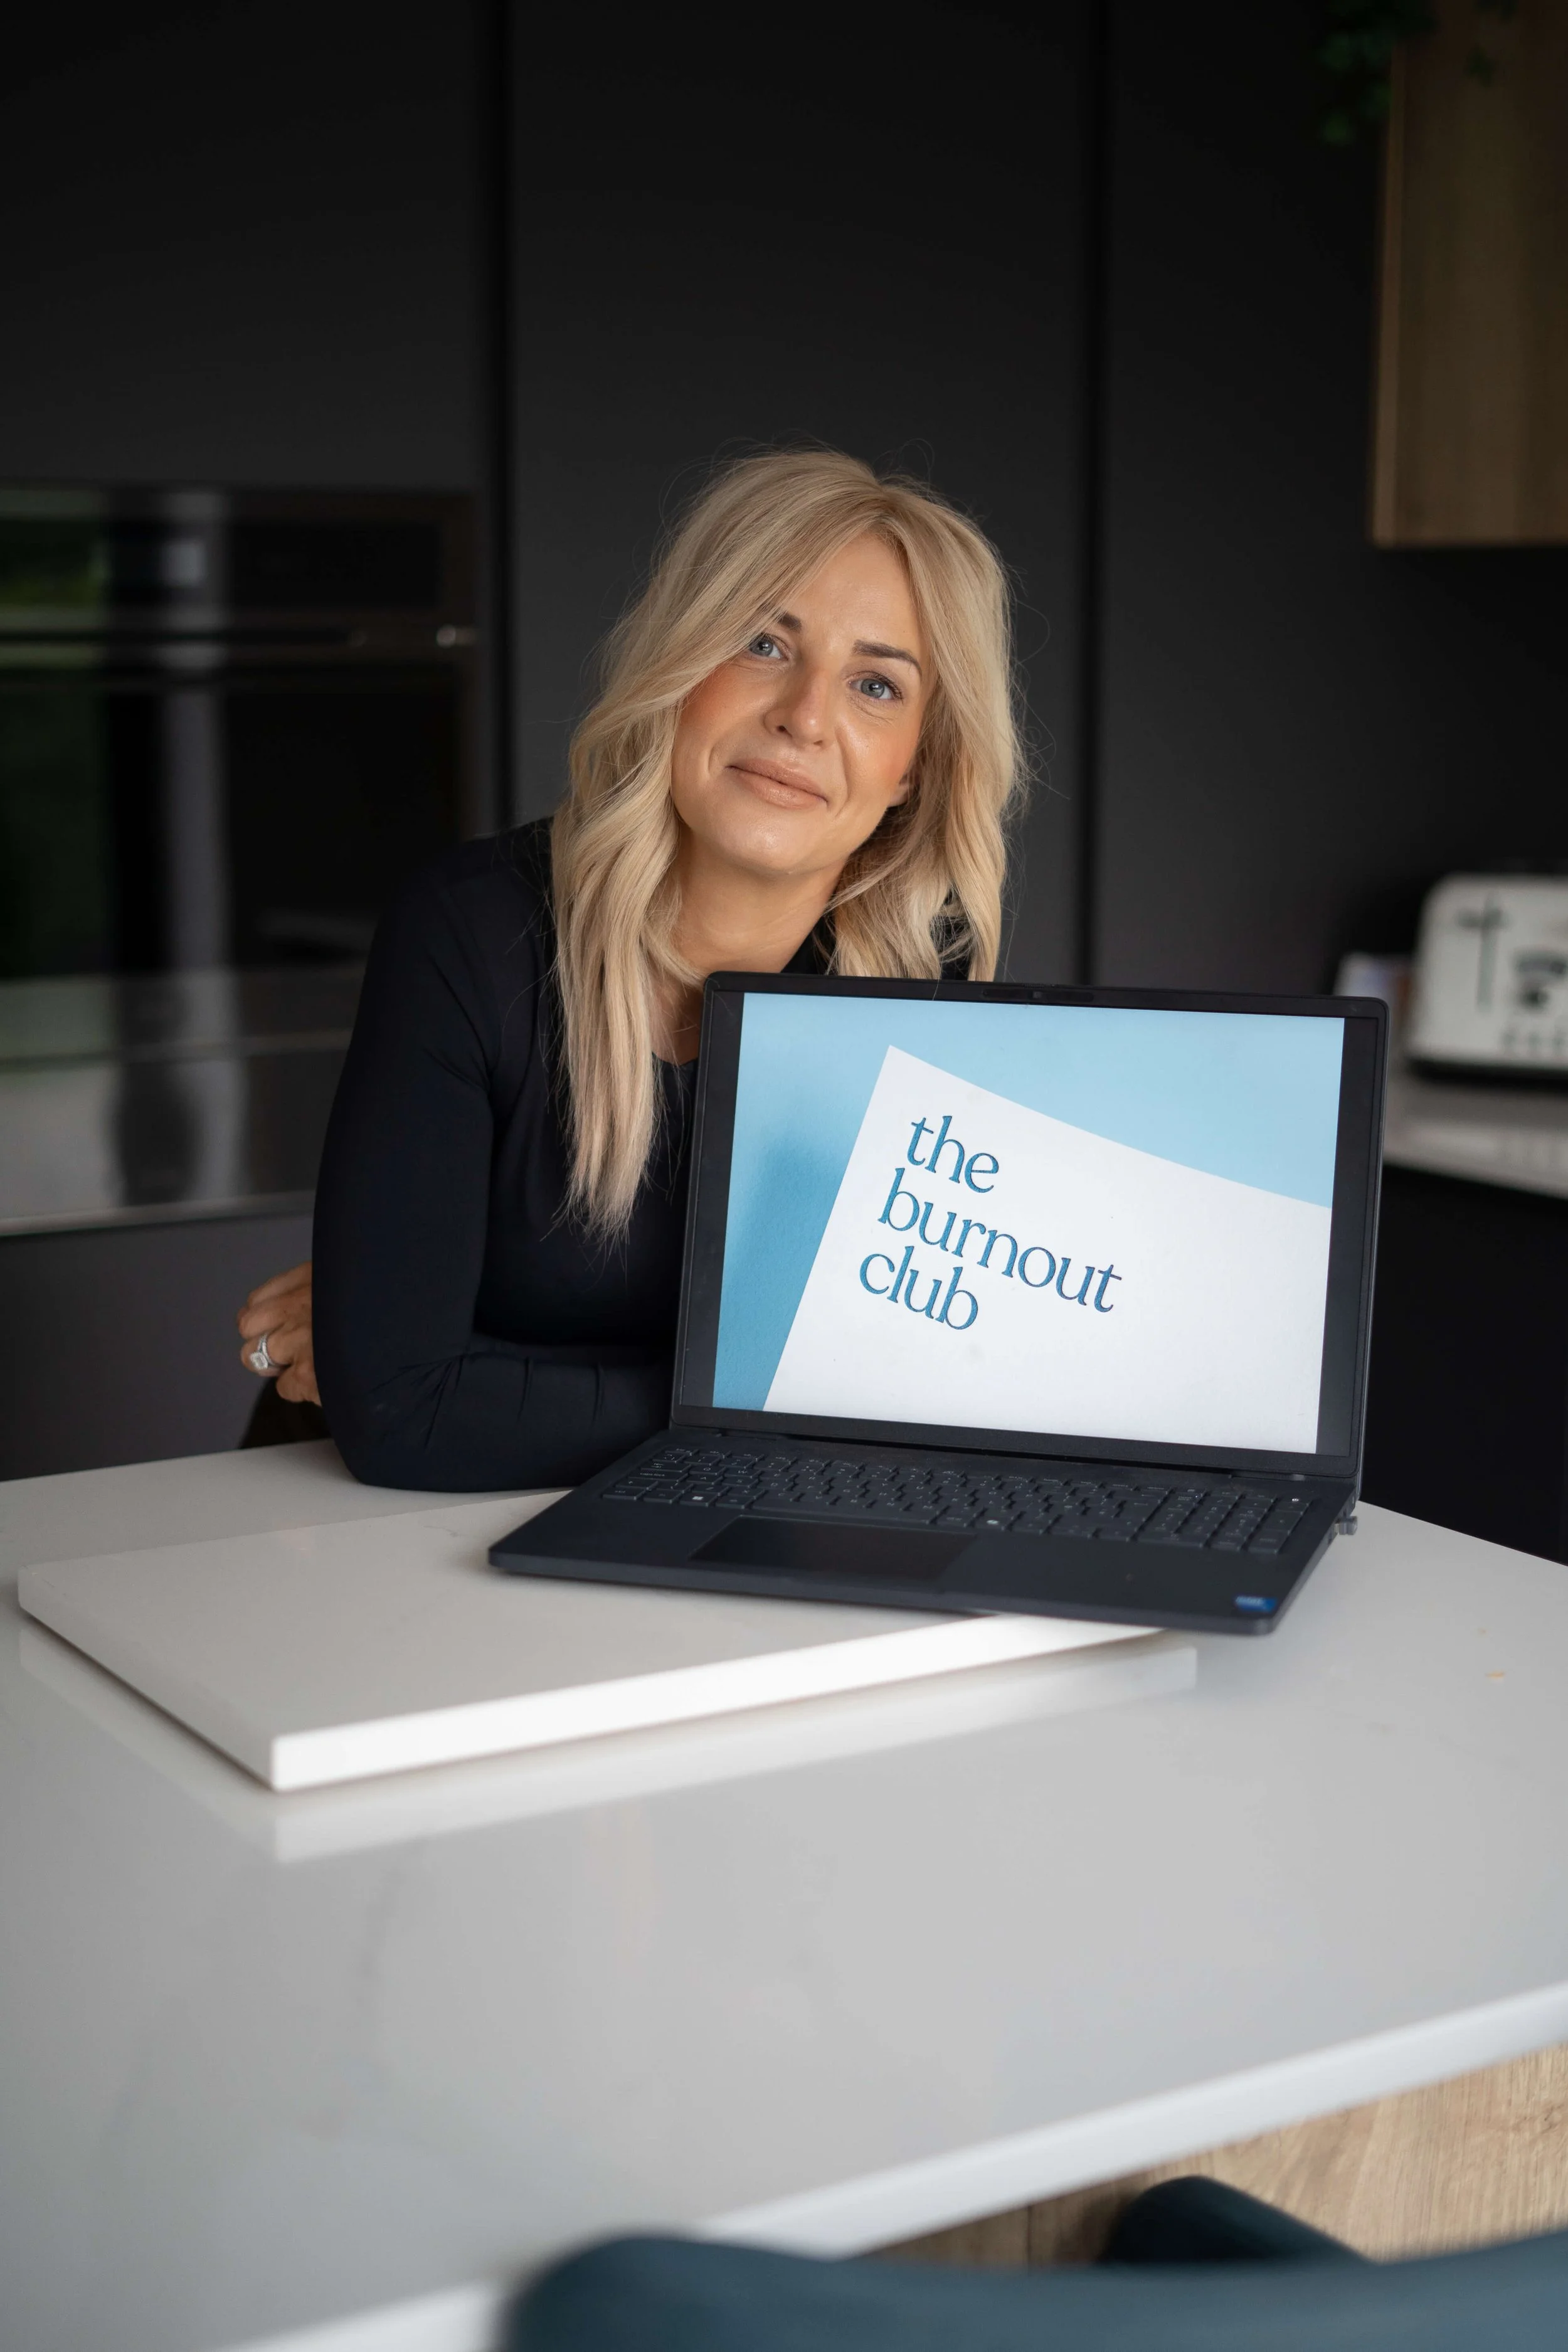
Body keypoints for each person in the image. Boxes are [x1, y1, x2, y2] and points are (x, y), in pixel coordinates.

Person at [237, 447, 1025, 1488]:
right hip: (351, 1533)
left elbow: (934, 1367)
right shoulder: (471, 932)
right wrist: (770, 1396)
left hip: (684, 1514)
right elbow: (401, 1413)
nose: (804, 716)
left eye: (875, 684)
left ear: (915, 764)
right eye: (762, 643)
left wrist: (474, 1361)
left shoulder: (923, 970)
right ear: (681, 664)